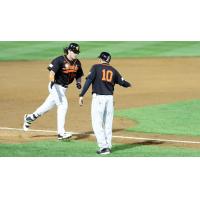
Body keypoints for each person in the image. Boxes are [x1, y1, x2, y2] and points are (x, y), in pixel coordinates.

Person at [23, 42, 84, 140]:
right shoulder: (59, 60)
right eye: (74, 52)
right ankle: (61, 133)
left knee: (46, 107)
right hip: (55, 86)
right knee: (63, 105)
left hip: (63, 89)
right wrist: (52, 81)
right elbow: (52, 72)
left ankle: (30, 118)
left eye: (77, 52)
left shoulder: (77, 62)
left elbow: (79, 75)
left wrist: (78, 83)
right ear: (69, 51)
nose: (76, 54)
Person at [79, 52, 131, 155]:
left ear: (101, 59)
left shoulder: (95, 67)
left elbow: (89, 81)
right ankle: (108, 145)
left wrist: (81, 95)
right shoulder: (113, 70)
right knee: (108, 124)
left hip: (99, 99)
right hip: (110, 99)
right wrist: (129, 84)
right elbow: (123, 83)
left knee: (96, 123)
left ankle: (103, 147)